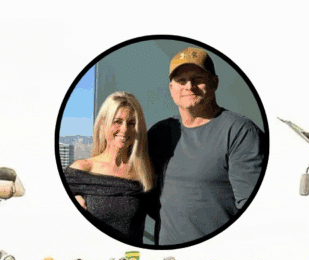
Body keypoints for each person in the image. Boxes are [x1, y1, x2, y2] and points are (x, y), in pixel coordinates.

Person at [147, 47, 265, 246]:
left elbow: (250, 206)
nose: (189, 86)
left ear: (214, 82)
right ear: (171, 88)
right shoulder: (160, 133)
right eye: (181, 80)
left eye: (198, 78)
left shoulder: (239, 132)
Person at [65, 92, 154, 244]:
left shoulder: (144, 174)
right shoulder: (82, 170)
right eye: (117, 121)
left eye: (131, 123)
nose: (124, 129)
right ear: (102, 124)